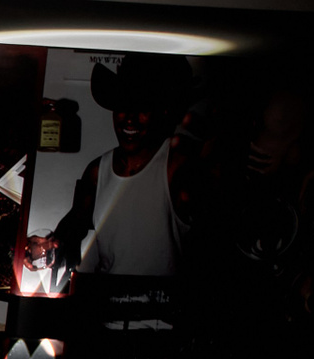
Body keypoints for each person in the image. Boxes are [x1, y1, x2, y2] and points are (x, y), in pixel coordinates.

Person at [26, 53, 205, 282]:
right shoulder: (97, 171)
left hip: (163, 302)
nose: (129, 118)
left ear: (162, 111)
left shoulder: (176, 165)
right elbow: (75, 223)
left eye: (142, 107)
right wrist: (50, 245)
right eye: (122, 105)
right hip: (106, 296)